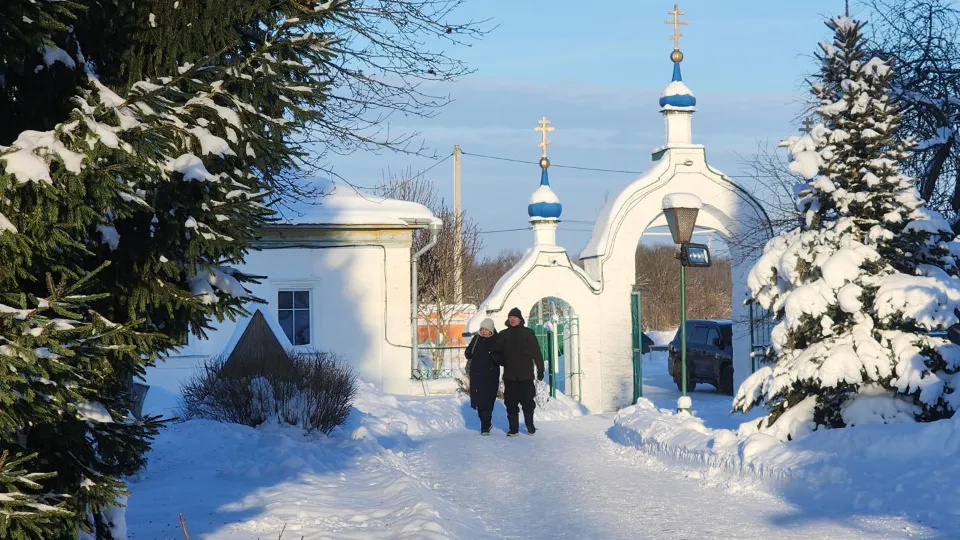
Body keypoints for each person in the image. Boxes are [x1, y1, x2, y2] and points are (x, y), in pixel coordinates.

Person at [496, 307, 544, 436]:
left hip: (526, 375)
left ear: (520, 319)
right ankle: (513, 428)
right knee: (510, 403)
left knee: (528, 402)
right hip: (510, 376)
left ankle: (529, 424)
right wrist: (501, 360)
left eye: (515, 317)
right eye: (511, 317)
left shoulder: (528, 333)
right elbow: (497, 353)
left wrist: (541, 369)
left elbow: (537, 352)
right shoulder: (503, 334)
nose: (513, 320)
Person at [464, 318, 500, 435]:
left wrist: (496, 358)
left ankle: (485, 426)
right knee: (479, 401)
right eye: (482, 329)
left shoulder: (497, 340)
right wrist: (469, 352)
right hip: (477, 375)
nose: (484, 331)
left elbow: (502, 357)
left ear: (491, 330)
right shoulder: (476, 339)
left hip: (491, 375)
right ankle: (486, 423)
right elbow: (468, 352)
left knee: (488, 401)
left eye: (486, 329)